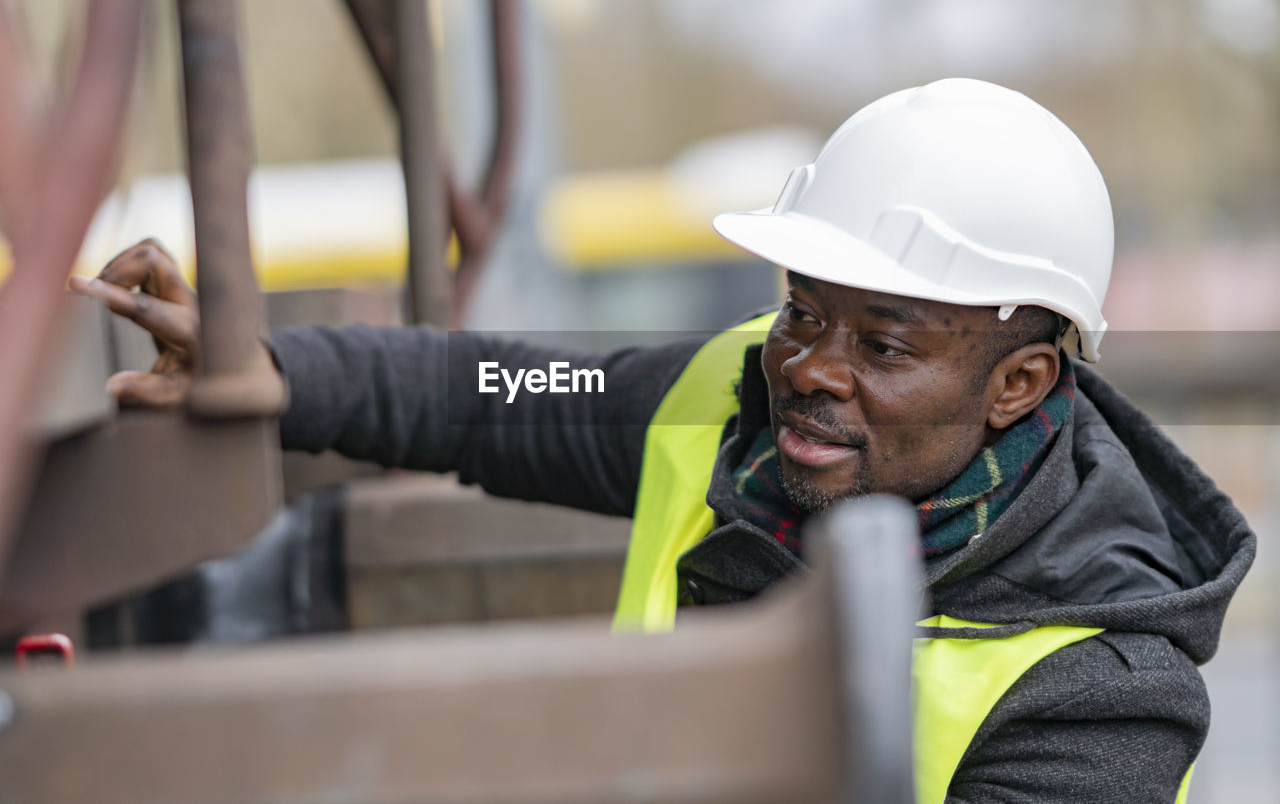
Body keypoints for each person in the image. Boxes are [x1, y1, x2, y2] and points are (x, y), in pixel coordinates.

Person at [72, 79, 1254, 803]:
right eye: (802, 308)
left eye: (882, 346)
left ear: (1019, 383)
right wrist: (268, 366)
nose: (805, 367)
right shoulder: (722, 394)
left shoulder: (1097, 694)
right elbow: (489, 389)